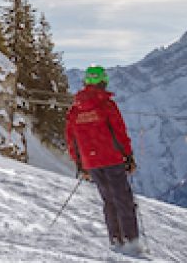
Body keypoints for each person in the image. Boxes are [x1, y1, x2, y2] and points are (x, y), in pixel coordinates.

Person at [66, 65, 142, 253]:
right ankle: (131, 241)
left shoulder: (75, 109)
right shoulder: (106, 105)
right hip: (112, 159)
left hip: (91, 163)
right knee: (123, 199)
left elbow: (71, 139)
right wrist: (128, 157)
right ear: (103, 81)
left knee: (108, 200)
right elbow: (120, 132)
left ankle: (116, 239)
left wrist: (80, 164)